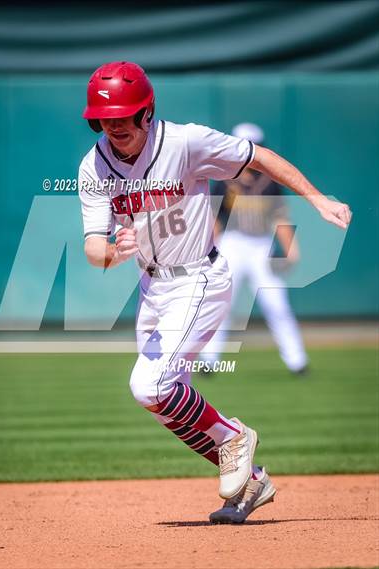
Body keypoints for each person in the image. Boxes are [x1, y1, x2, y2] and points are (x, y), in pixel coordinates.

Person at [78, 61, 351, 524]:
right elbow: (91, 247)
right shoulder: (93, 166)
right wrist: (111, 253)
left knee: (148, 384)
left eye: (125, 115)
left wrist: (317, 198)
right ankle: (251, 482)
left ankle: (236, 439)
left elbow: (259, 158)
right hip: (152, 287)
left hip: (200, 278)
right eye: (106, 118)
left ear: (147, 113)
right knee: (160, 399)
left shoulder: (185, 142)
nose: (115, 125)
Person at [201, 122, 309, 375]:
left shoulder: (270, 181)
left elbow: (280, 218)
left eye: (253, 146)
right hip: (232, 244)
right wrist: (206, 248)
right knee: (220, 302)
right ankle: (209, 359)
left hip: (261, 245)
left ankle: (297, 361)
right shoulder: (225, 179)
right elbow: (215, 219)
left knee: (276, 304)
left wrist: (291, 248)